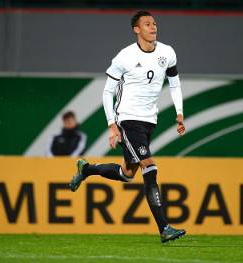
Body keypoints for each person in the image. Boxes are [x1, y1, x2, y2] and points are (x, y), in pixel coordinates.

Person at [69, 10, 186, 243]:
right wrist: (112, 125)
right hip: (128, 119)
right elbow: (107, 92)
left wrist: (180, 113)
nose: (153, 27)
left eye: (154, 23)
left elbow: (174, 84)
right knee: (149, 167)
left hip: (150, 120)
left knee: (127, 173)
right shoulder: (125, 56)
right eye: (147, 24)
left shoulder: (167, 52)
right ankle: (164, 228)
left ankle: (87, 170)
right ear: (136, 29)